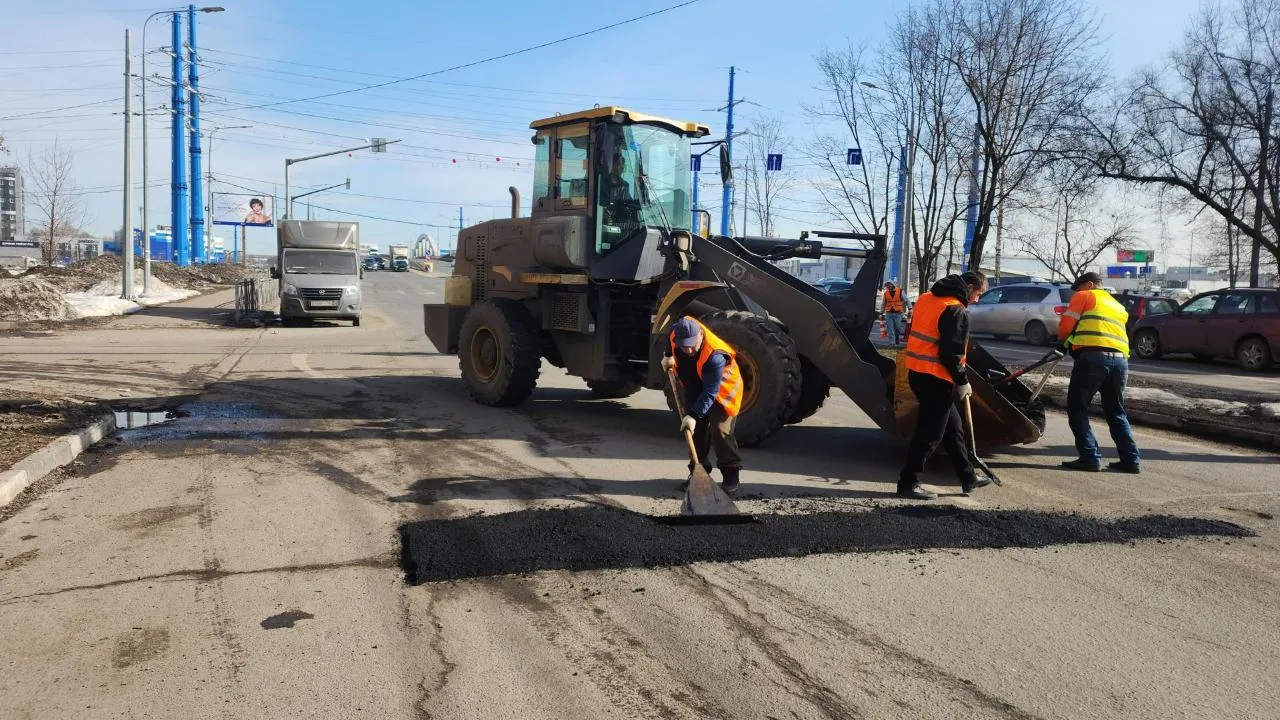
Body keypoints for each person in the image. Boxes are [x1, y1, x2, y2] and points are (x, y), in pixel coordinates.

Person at [898, 270, 993, 500]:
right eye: (978, 294)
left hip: (917, 373)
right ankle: (908, 483)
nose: (977, 299)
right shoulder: (955, 310)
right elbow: (951, 353)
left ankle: (967, 477)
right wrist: (962, 381)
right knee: (930, 434)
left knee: (953, 428)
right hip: (935, 378)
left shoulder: (926, 298)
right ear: (969, 287)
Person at [1058, 272, 1141, 474]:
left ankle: (1089, 457)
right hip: (1120, 362)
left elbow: (1066, 328)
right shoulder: (1117, 306)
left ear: (1089, 284)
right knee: (1116, 412)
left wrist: (1063, 341)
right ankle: (1130, 460)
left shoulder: (1084, 295)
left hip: (1093, 360)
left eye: (1078, 288)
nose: (1076, 293)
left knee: (1077, 409)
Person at [661, 316, 744, 494]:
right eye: (684, 346)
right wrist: (668, 356)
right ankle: (699, 474)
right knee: (696, 434)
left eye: (692, 344)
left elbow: (710, 393)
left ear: (700, 335)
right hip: (695, 387)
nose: (689, 350)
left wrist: (693, 415)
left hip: (722, 393)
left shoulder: (715, 356)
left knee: (720, 431)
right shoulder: (677, 332)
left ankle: (731, 475)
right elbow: (670, 337)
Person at [882, 281, 907, 346]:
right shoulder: (886, 293)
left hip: (898, 313)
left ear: (892, 285)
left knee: (898, 328)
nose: (888, 286)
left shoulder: (900, 291)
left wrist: (910, 308)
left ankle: (896, 337)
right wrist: (881, 312)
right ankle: (892, 342)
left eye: (889, 285)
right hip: (889, 313)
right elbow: (884, 303)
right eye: (887, 286)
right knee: (890, 328)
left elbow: (906, 300)